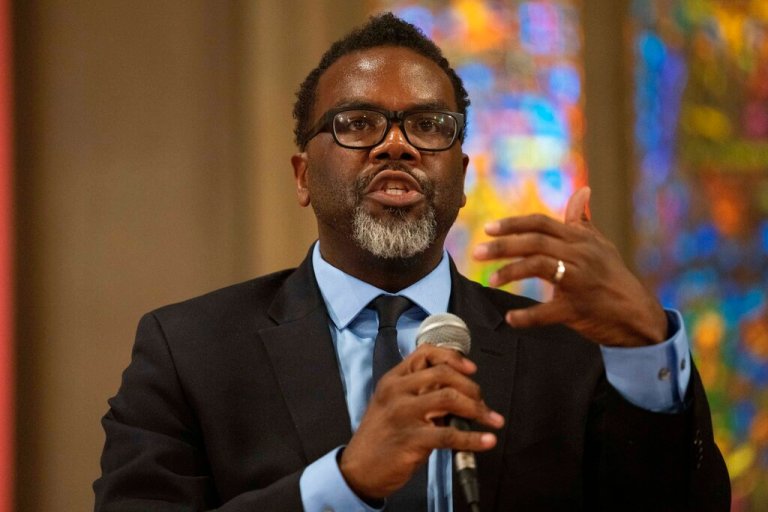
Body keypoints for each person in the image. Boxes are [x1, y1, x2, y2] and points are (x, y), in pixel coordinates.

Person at [94, 12, 730, 512]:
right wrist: (344, 484)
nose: (394, 144)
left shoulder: (568, 354)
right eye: (357, 122)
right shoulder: (189, 351)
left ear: (461, 175)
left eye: (428, 126)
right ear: (302, 176)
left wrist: (647, 350)